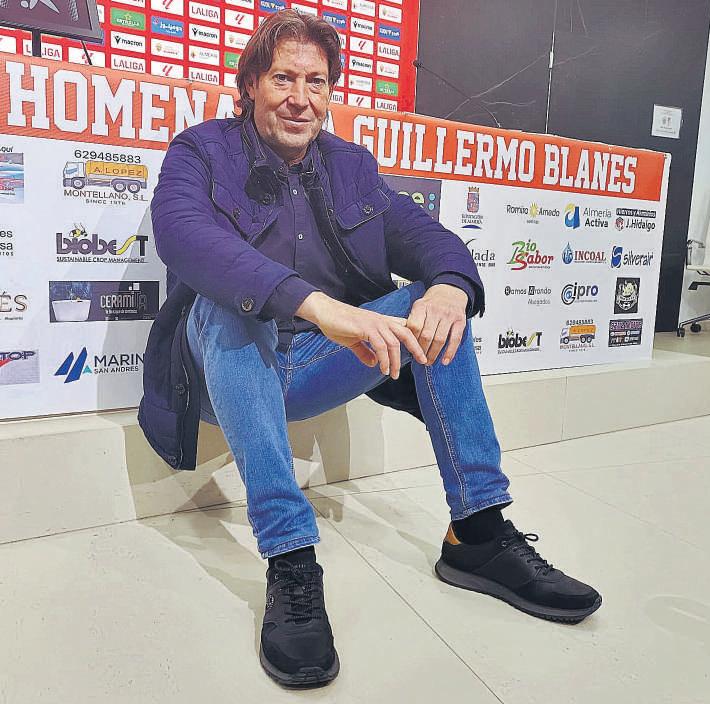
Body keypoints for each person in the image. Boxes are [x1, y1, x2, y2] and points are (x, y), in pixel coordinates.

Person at [138, 9, 602, 688]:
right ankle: (291, 560)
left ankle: (477, 533)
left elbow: (426, 236)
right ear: (249, 85)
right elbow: (183, 237)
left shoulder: (350, 165)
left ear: (330, 93)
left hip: (317, 367)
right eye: (283, 79)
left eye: (316, 82)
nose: (300, 98)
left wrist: (451, 287)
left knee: (436, 306)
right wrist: (317, 305)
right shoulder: (201, 150)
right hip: (223, 370)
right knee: (231, 305)